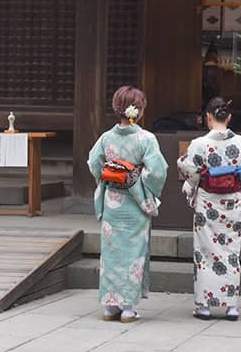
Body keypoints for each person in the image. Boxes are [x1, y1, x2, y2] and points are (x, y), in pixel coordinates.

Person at [88, 86, 168, 323]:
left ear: (117, 109)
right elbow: (157, 172)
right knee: (133, 254)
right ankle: (128, 308)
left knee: (112, 254)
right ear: (139, 110)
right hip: (136, 204)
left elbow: (95, 164)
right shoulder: (146, 139)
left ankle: (110, 306)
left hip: (113, 203)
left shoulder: (106, 138)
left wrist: (112, 175)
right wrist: (136, 178)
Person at [177, 97, 241, 321]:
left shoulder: (199, 144)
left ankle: (204, 305)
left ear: (208, 117)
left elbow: (187, 168)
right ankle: (231, 305)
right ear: (229, 117)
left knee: (205, 252)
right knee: (230, 251)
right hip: (232, 202)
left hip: (207, 202)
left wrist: (194, 183)